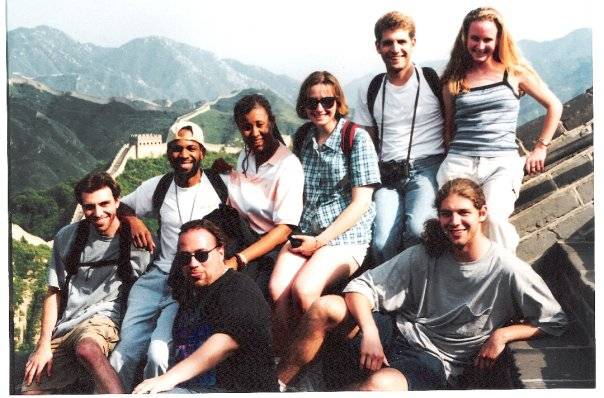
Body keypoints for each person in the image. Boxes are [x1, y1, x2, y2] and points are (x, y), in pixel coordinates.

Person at [276, 178, 568, 391]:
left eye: (463, 212)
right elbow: (360, 288)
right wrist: (370, 332)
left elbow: (554, 320)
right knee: (325, 307)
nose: (454, 221)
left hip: (435, 360)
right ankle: (277, 385)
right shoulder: (426, 253)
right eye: (446, 213)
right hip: (398, 331)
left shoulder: (507, 269)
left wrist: (503, 334)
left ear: (481, 214)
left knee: (379, 387)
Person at [269, 71, 380, 355]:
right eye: (312, 102)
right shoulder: (304, 136)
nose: (319, 108)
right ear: (304, 106)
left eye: (327, 101)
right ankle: (285, 359)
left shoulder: (356, 138)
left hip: (345, 236)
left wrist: (320, 242)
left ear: (338, 102)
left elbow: (361, 203)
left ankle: (323, 360)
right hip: (307, 230)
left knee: (304, 291)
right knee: (278, 289)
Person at [437, 6, 563, 253]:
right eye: (475, 38)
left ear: (498, 40)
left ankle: (505, 275)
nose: (480, 45)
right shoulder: (454, 78)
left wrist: (540, 147)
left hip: (501, 163)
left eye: (487, 40)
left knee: (492, 218)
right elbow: (448, 127)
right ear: (465, 38)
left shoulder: (514, 72)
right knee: (457, 226)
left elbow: (554, 105)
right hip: (459, 162)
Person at [109, 121, 222, 392]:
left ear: (202, 153)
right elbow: (122, 205)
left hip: (185, 283)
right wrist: (134, 221)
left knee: (158, 355)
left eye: (190, 148)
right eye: (176, 148)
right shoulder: (158, 186)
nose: (183, 154)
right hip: (154, 278)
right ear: (167, 152)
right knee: (122, 355)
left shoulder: (220, 188)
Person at [21, 172, 149, 394]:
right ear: (81, 207)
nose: (98, 213)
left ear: (118, 201)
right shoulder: (68, 237)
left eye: (104, 204)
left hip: (105, 318)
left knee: (87, 349)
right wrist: (43, 345)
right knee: (31, 389)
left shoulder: (137, 240)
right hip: (68, 324)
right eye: (89, 207)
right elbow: (54, 291)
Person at [132, 219, 278, 393]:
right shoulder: (191, 287)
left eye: (202, 255)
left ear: (220, 251)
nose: (193, 264)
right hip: (197, 388)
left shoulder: (240, 289)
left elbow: (224, 343)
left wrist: (168, 378)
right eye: (185, 257)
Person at [353, 11, 446, 264]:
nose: (395, 49)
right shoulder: (370, 89)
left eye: (402, 41)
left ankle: (420, 294)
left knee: (418, 231)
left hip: (428, 167)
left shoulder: (432, 79)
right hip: (387, 175)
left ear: (413, 43)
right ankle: (393, 298)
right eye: (388, 43)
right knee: (381, 243)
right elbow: (366, 142)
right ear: (378, 47)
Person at [212, 93, 304, 297]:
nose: (254, 133)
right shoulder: (247, 155)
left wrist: (239, 259)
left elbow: (283, 229)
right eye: (246, 127)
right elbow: (250, 188)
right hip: (241, 236)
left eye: (260, 124)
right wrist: (228, 173)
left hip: (267, 248)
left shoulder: (288, 166)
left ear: (272, 123)